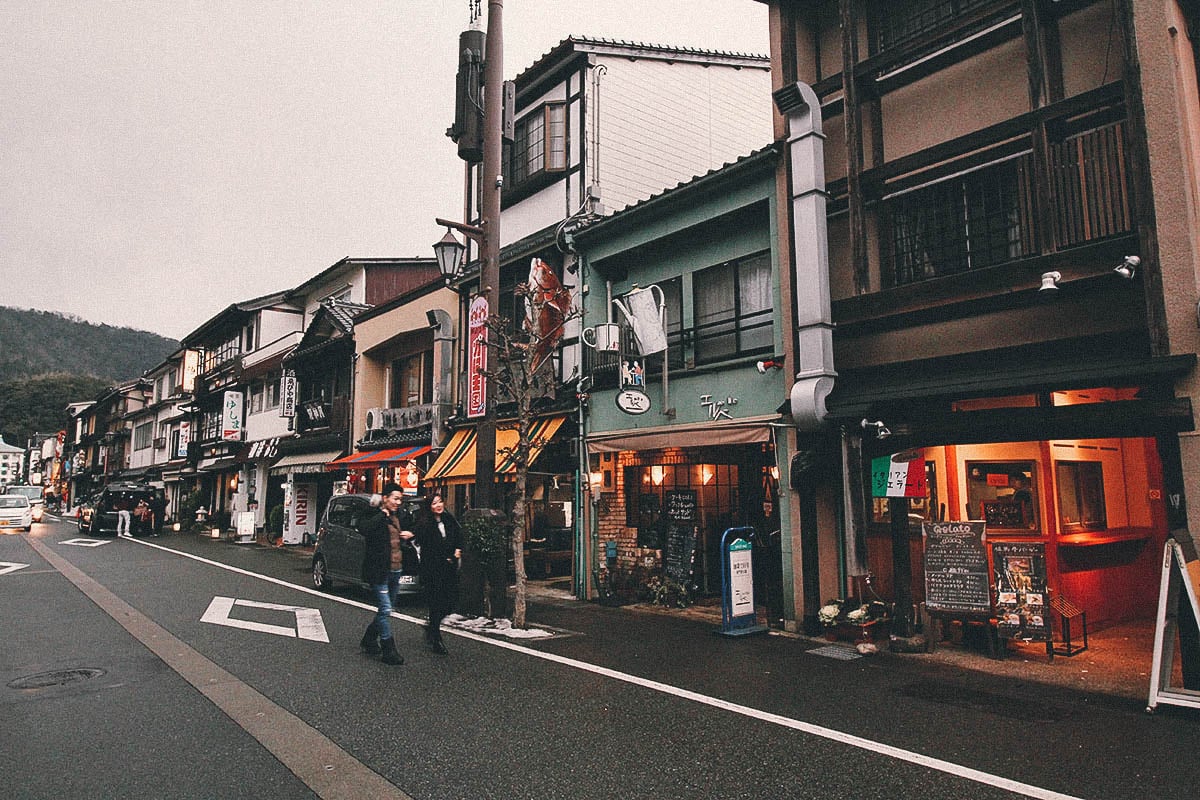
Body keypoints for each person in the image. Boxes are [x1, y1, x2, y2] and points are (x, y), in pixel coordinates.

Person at [359, 483, 407, 666]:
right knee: (386, 609)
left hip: (396, 569)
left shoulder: (398, 516)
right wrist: (381, 514)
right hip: (379, 571)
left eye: (400, 499)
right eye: (395, 498)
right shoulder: (373, 514)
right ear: (385, 498)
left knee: (385, 610)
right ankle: (388, 649)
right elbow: (364, 528)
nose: (398, 502)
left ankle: (369, 639)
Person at [413, 492, 463, 655]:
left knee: (450, 603)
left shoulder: (449, 520)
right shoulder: (425, 524)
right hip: (433, 569)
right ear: (429, 507)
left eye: (440, 502)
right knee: (435, 603)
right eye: (434, 503)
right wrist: (446, 556)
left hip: (449, 569)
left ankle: (431, 627)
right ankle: (436, 639)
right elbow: (427, 546)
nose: (438, 505)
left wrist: (457, 550)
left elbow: (459, 536)